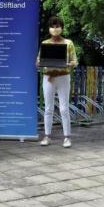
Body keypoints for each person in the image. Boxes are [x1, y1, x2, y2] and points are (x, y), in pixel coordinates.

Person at [37, 17, 79, 148]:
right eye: (53, 26)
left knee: (64, 108)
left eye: (57, 26)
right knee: (48, 108)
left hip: (63, 76)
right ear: (49, 28)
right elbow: (38, 61)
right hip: (48, 77)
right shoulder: (45, 43)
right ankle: (47, 136)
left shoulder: (68, 43)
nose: (55, 29)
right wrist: (39, 63)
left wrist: (66, 63)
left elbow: (75, 61)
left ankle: (67, 137)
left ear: (62, 28)